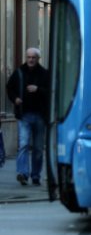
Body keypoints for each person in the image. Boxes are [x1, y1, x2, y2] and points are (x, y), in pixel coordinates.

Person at [5, 47, 49, 186]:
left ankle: (35, 175)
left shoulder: (44, 74)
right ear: (26, 58)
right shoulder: (19, 72)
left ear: (38, 59)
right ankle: (22, 174)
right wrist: (15, 99)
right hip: (24, 114)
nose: (30, 60)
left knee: (37, 148)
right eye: (28, 57)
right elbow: (9, 88)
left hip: (40, 115)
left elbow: (51, 91)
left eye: (33, 57)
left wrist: (38, 90)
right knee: (23, 144)